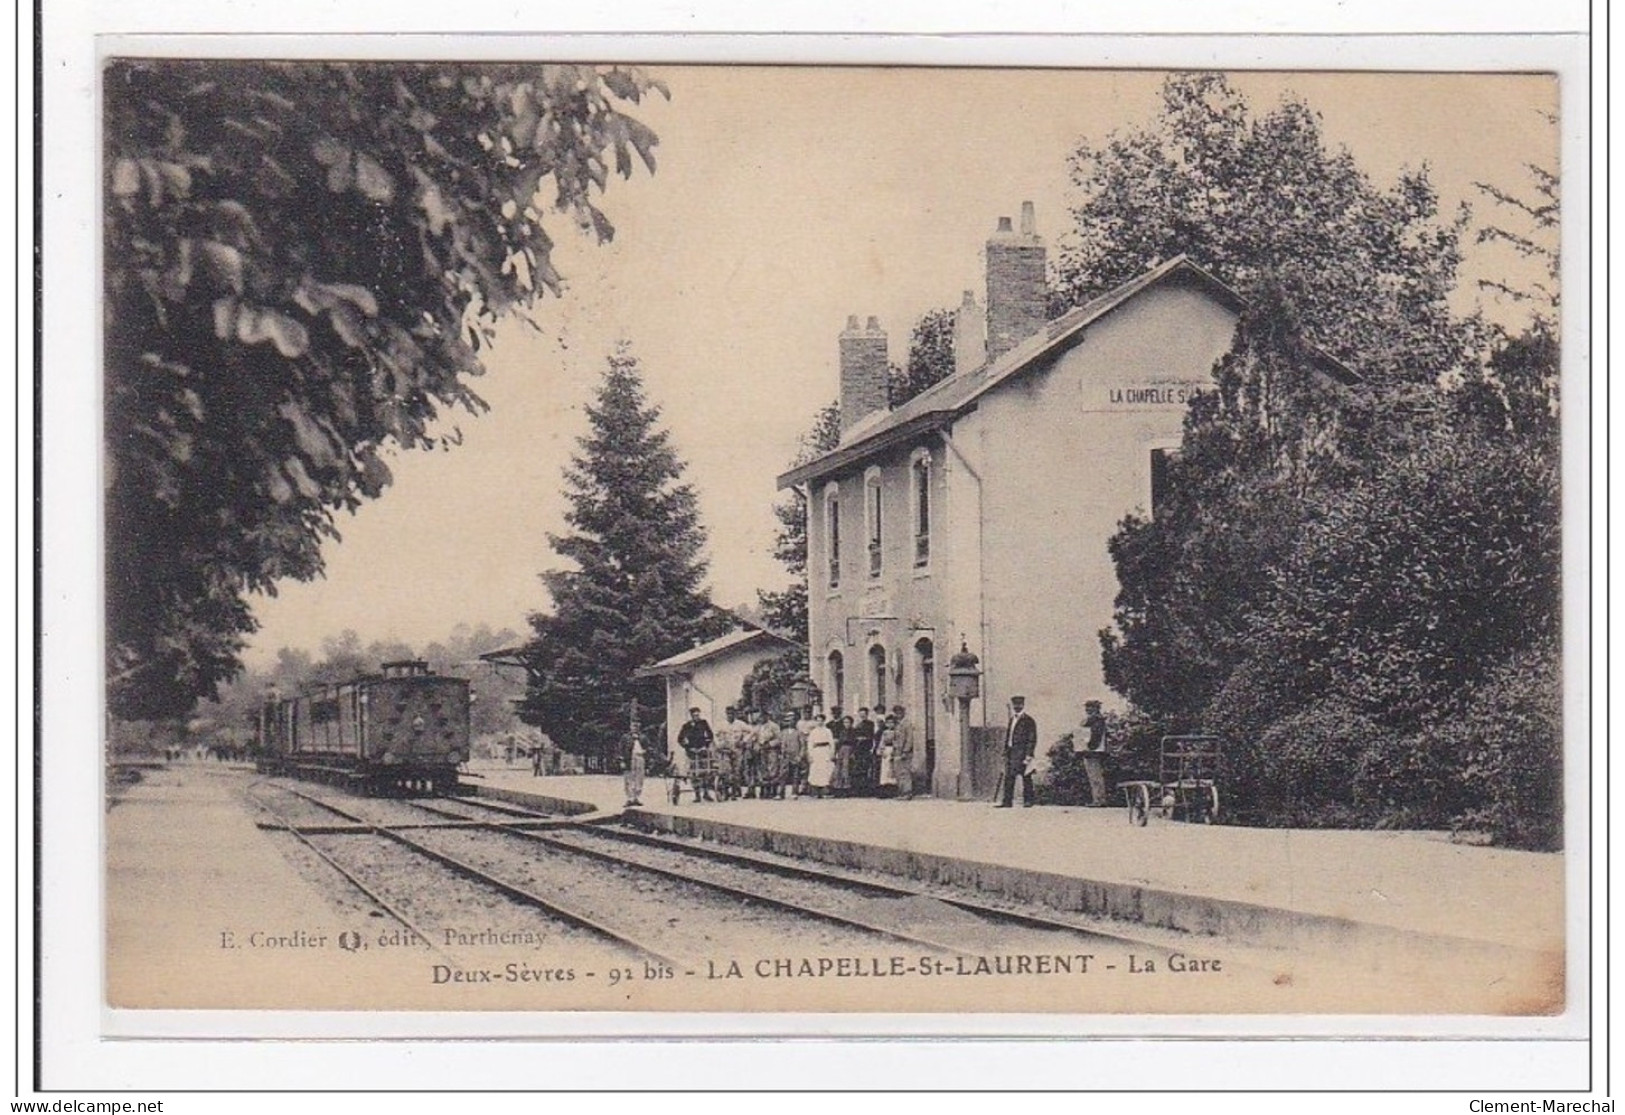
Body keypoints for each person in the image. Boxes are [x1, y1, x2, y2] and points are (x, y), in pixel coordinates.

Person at [996, 695, 1037, 808]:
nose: (1017, 707)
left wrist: (1029, 754)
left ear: (1023, 705)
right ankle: (1007, 802)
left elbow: (1032, 739)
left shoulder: (1028, 720)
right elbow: (1009, 736)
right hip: (1011, 751)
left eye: (1019, 704)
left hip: (1022, 753)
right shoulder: (1012, 719)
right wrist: (1005, 750)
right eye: (1015, 704)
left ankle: (1029, 800)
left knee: (1026, 776)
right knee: (1009, 777)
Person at [676, 707, 715, 801]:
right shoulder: (686, 726)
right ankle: (697, 794)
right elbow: (680, 739)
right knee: (694, 773)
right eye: (694, 715)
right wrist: (688, 747)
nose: (696, 717)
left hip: (702, 750)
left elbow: (710, 735)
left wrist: (705, 745)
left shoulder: (703, 723)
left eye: (698, 715)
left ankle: (706, 793)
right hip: (692, 751)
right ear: (691, 716)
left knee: (705, 771)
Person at [1080, 700, 1109, 807]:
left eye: (1089, 707)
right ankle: (1098, 799)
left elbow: (1095, 737)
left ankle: (1099, 800)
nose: (1087, 709)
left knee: (1095, 776)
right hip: (1095, 750)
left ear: (1095, 708)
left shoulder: (1096, 720)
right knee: (1095, 775)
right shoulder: (1096, 720)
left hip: (1093, 751)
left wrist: (1087, 747)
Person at [804, 713, 836, 798]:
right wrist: (810, 755)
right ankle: (815, 791)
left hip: (825, 751)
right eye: (818, 721)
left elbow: (831, 743)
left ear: (824, 721)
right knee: (815, 770)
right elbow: (810, 744)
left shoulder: (828, 731)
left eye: (821, 720)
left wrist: (832, 753)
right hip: (816, 752)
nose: (819, 722)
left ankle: (825, 790)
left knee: (825, 770)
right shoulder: (813, 732)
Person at [755, 710, 784, 800]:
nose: (762, 718)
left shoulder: (774, 726)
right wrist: (757, 746)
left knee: (773, 769)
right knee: (763, 770)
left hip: (772, 750)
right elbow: (755, 738)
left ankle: (773, 790)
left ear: (768, 717)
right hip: (762, 750)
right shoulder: (759, 727)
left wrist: (770, 744)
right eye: (761, 717)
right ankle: (764, 789)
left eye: (764, 716)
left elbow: (779, 739)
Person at [850, 707, 878, 795]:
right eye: (861, 714)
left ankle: (867, 790)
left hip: (866, 748)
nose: (862, 715)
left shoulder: (871, 724)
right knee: (858, 768)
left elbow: (872, 735)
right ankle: (859, 789)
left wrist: (865, 739)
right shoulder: (858, 724)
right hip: (859, 749)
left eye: (864, 714)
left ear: (867, 714)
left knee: (866, 768)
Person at [891, 704, 916, 799]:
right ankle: (901, 792)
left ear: (903, 713)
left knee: (905, 772)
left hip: (905, 751)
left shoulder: (907, 723)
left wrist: (906, 751)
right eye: (896, 713)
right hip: (897, 751)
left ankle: (907, 792)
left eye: (899, 712)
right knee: (898, 772)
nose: (898, 714)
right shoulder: (897, 724)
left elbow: (909, 738)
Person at [829, 709, 853, 795]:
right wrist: (835, 752)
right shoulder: (841, 732)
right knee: (838, 768)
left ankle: (847, 788)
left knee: (846, 769)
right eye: (845, 722)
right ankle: (838, 788)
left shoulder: (853, 731)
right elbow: (838, 742)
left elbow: (855, 743)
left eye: (848, 722)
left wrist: (853, 753)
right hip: (841, 750)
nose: (846, 724)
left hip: (849, 750)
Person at [876, 715, 899, 798]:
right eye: (888, 723)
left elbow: (897, 742)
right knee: (884, 771)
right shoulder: (885, 732)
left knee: (891, 770)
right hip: (886, 751)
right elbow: (882, 742)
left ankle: (892, 791)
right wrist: (881, 751)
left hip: (893, 750)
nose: (890, 724)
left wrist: (894, 751)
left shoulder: (896, 732)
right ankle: (884, 791)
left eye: (892, 723)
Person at [623, 732, 646, 807]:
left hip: (640, 757)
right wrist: (621, 761)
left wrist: (646, 752)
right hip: (629, 758)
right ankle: (629, 798)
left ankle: (636, 798)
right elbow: (621, 749)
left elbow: (649, 747)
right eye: (634, 724)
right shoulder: (626, 737)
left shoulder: (643, 737)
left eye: (637, 724)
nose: (635, 727)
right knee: (629, 778)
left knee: (639, 778)